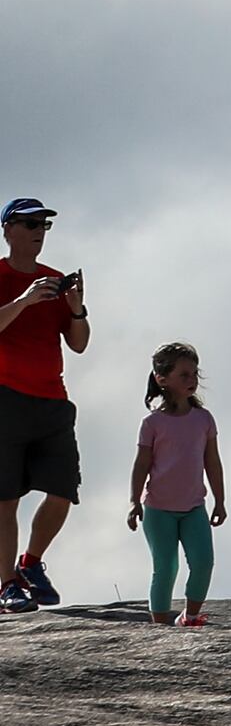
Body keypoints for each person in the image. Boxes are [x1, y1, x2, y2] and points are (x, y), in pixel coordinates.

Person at [0, 195, 91, 613]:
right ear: (9, 230)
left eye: (44, 225)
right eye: (31, 223)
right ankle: (7, 585)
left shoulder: (54, 280)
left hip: (52, 400)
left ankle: (30, 564)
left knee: (62, 490)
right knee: (6, 498)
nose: (39, 231)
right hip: (6, 397)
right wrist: (24, 301)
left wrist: (75, 309)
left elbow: (79, 344)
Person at [127, 343, 225, 627]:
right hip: (158, 510)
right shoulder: (152, 423)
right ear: (162, 379)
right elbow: (141, 464)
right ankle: (160, 627)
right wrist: (134, 501)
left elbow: (213, 463)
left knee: (203, 563)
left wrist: (220, 500)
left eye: (195, 374)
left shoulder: (203, 420)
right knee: (166, 568)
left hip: (194, 507)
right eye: (184, 374)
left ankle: (190, 616)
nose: (192, 380)